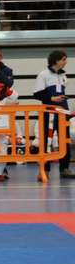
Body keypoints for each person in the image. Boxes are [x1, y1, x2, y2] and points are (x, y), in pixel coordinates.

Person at [33, 50, 74, 180]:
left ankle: (64, 168)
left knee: (65, 140)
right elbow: (37, 94)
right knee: (47, 141)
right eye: (63, 59)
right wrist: (51, 98)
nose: (65, 62)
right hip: (49, 112)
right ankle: (45, 170)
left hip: (62, 112)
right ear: (56, 60)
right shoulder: (43, 74)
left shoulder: (63, 75)